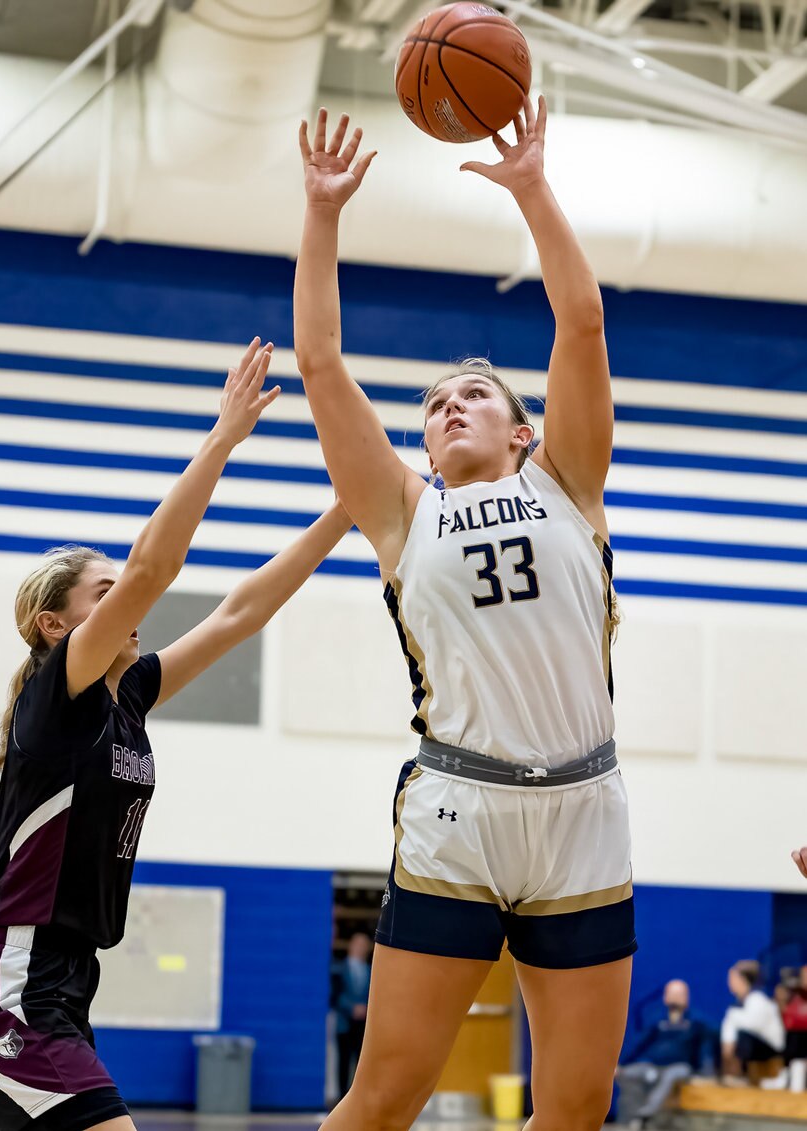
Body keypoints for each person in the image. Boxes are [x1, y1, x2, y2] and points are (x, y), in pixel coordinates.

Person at [294, 100, 635, 1131]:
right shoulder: (401, 510)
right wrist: (322, 218)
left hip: (584, 813)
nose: (448, 405)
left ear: (524, 428)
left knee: (573, 1109)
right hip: (459, 812)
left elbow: (580, 321)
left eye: (474, 394)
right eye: (435, 403)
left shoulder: (568, 484)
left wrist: (531, 185)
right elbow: (319, 364)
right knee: (386, 1093)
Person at [0, 338, 351, 1131]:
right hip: (12, 979)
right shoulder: (60, 696)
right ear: (57, 624)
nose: (129, 603)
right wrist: (222, 438)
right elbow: (154, 567)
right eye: (105, 593)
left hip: (67, 976)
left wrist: (349, 507)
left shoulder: (128, 698)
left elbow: (240, 611)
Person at [616, 980, 714, 1129]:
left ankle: (645, 1115)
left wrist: (708, 1074)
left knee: (671, 1077)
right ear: (665, 997)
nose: (675, 998)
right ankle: (627, 1120)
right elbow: (639, 1044)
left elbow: (705, 1050)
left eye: (679, 994)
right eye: (672, 994)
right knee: (628, 1073)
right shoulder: (656, 1020)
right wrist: (619, 1064)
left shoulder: (697, 1022)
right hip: (652, 1066)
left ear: (686, 997)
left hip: (680, 1067)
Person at [721, 961, 785, 1085]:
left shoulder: (758, 1000)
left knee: (743, 1036)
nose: (729, 982)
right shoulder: (736, 1006)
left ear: (743, 979)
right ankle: (728, 1076)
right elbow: (728, 1031)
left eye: (733, 978)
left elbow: (751, 1026)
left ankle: (742, 1076)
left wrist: (732, 1021)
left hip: (771, 1049)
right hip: (752, 1047)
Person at [332, 933, 373, 1098]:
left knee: (360, 1062)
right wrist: (351, 1008)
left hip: (363, 1024)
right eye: (358, 944)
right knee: (343, 1060)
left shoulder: (371, 970)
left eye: (364, 945)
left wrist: (365, 1008)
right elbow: (335, 995)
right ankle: (341, 1096)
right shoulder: (340, 969)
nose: (360, 948)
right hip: (345, 1022)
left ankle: (357, 1097)